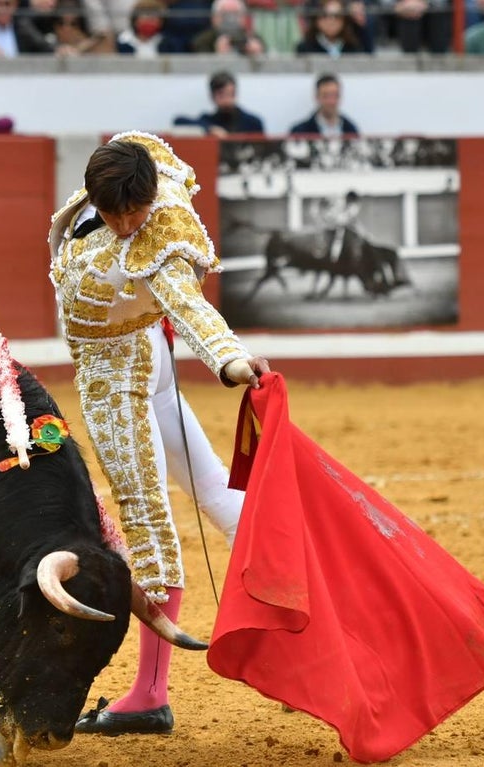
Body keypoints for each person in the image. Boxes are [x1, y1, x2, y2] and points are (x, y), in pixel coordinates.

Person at [48, 132, 270, 737]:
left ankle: (149, 694)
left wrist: (230, 360)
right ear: (96, 197)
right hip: (142, 362)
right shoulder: (126, 181)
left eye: (136, 212)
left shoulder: (158, 225)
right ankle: (295, 623)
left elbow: (187, 303)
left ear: (150, 197)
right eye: (115, 214)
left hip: (118, 379)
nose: (127, 226)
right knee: (212, 490)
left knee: (151, 518)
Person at [173, 70, 265, 136]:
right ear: (212, 96)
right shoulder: (207, 120)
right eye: (221, 95)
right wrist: (210, 129)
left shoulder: (252, 123)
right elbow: (178, 121)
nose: (227, 99)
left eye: (230, 94)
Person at [288, 73, 359, 136]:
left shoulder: (351, 130)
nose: (331, 102)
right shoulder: (299, 132)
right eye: (326, 96)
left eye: (335, 96)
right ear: (317, 97)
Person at [189, 0, 266, 54]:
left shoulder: (252, 37)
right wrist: (217, 54)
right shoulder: (202, 41)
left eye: (235, 14)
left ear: (243, 18)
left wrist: (257, 55)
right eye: (225, 14)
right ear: (214, 18)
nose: (230, 19)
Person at [295, 0, 369, 54]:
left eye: (336, 16)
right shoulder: (304, 48)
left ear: (344, 20)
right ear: (316, 19)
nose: (331, 21)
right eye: (324, 15)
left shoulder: (354, 47)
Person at [116, 0, 187, 55]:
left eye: (154, 17)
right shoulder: (121, 42)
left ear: (161, 21)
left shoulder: (170, 44)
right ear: (135, 19)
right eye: (146, 15)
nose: (149, 20)